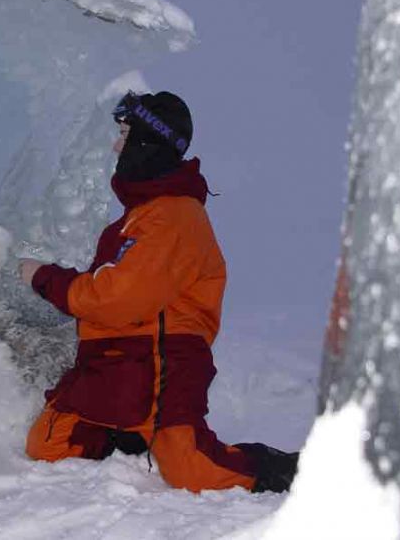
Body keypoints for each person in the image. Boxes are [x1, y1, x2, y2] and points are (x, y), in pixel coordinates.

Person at [19, 90, 298, 493]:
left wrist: (45, 278)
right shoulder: (136, 219)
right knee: (48, 445)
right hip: (111, 365)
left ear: (147, 143)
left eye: (124, 135)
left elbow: (117, 299)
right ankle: (131, 433)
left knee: (192, 471)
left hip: (163, 363)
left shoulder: (175, 216)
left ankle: (288, 469)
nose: (116, 147)